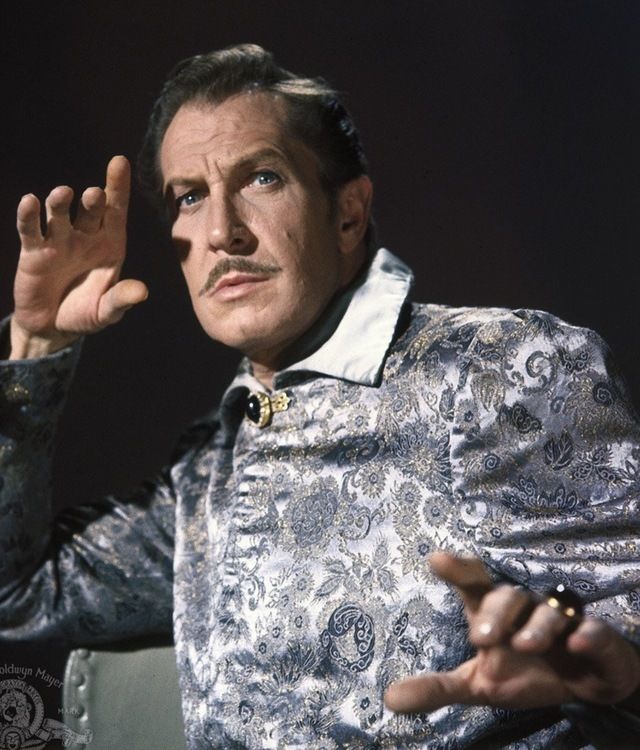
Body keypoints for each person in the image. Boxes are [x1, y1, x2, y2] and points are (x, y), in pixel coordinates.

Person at [1, 43, 639, 749]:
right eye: (190, 197)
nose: (222, 232)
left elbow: (623, 620)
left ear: (348, 213)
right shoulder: (208, 470)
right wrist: (36, 346)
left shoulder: (497, 369)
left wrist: (617, 674)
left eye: (262, 178)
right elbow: (18, 596)